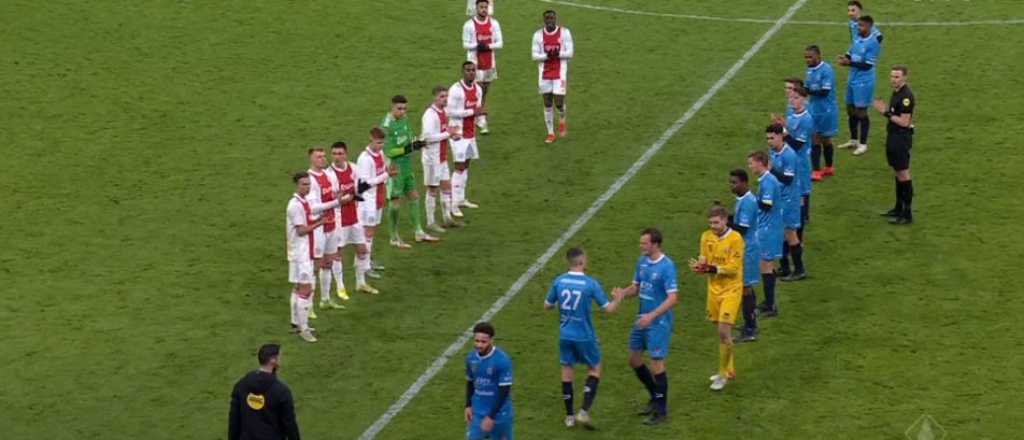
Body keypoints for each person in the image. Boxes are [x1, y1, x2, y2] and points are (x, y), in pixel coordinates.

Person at [543, 247, 622, 429]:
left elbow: (547, 305)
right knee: (595, 368)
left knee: (567, 370)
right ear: (582, 261)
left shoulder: (559, 281)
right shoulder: (590, 284)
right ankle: (583, 412)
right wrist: (618, 298)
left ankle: (569, 417)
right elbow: (608, 309)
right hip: (584, 336)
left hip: (565, 335)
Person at [611, 228, 678, 426]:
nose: (641, 246)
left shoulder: (667, 266)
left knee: (657, 364)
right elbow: (637, 288)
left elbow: (673, 298)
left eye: (644, 243)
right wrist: (622, 293)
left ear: (655, 244)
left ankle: (661, 411)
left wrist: (653, 315)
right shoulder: (642, 262)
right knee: (634, 360)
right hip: (642, 319)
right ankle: (654, 397)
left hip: (658, 321)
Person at [689, 204, 744, 391]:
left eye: (716, 222)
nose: (713, 226)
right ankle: (730, 369)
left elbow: (733, 268)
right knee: (721, 332)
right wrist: (700, 266)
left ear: (725, 220)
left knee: (723, 332)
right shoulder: (706, 236)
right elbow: (704, 259)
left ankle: (722, 375)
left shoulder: (736, 239)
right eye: (711, 223)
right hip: (713, 290)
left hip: (731, 290)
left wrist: (712, 269)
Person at [381, 95, 436, 248]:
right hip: (394, 168)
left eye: (405, 108)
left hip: (407, 166)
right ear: (391, 108)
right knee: (395, 202)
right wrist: (408, 148)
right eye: (399, 108)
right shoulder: (386, 126)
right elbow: (389, 151)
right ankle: (393, 236)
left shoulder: (404, 119)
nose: (403, 111)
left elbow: (409, 137)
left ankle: (418, 231)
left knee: (414, 196)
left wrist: (417, 142)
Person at [328, 142, 377, 297]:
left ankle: (360, 283)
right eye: (334, 153)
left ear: (346, 154)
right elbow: (334, 197)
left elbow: (360, 187)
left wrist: (354, 195)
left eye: (340, 153)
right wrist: (347, 197)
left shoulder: (353, 168)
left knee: (362, 249)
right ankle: (340, 287)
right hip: (339, 219)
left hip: (354, 217)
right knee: (338, 253)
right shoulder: (330, 174)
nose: (337, 157)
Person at [356, 127, 398, 292]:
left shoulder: (379, 154)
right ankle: (365, 267)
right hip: (368, 201)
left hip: (378, 197)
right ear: (371, 139)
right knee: (368, 234)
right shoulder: (365, 159)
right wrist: (387, 175)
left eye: (382, 142)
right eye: (378, 142)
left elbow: (383, 168)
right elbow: (364, 184)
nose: (381, 145)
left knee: (372, 233)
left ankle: (368, 261)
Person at [229, 344, 300, 440]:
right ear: (273, 360)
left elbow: (234, 419)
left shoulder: (240, 385)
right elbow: (289, 424)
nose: (280, 359)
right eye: (279, 356)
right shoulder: (282, 391)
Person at [286, 172, 326, 342]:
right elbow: (302, 230)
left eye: (308, 184)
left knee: (298, 288)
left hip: (302, 252)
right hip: (300, 254)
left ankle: (296, 323)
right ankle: (304, 329)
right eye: (303, 184)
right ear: (296, 185)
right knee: (306, 290)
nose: (307, 187)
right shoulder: (295, 205)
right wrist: (320, 223)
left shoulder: (304, 203)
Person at [873, 65, 916, 225]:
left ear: (904, 78)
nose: (893, 80)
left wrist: (884, 112)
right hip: (893, 136)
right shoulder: (897, 92)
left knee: (904, 174)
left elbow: (905, 122)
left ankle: (907, 213)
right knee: (897, 172)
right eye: (892, 76)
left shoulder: (906, 97)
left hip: (900, 137)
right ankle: (898, 208)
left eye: (897, 77)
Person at [305, 148, 346, 313]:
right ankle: (308, 307)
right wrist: (336, 203)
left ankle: (325, 299)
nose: (322, 159)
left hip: (330, 225)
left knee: (328, 263)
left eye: (323, 156)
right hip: (317, 228)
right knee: (314, 267)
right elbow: (313, 208)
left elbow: (334, 195)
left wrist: (340, 198)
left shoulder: (329, 175)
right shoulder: (310, 180)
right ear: (311, 159)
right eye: (318, 157)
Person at [765, 124, 807, 282]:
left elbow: (788, 179)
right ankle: (785, 268)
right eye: (768, 138)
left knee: (790, 235)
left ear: (781, 136)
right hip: (779, 198)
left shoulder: (789, 155)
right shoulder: (773, 151)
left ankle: (799, 269)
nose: (770, 141)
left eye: (772, 138)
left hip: (789, 200)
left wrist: (770, 170)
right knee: (781, 234)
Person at [837, 15, 882, 156]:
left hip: (864, 81)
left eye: (861, 25)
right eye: (858, 25)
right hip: (852, 78)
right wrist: (845, 58)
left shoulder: (873, 43)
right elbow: (850, 52)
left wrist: (848, 63)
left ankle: (863, 144)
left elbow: (868, 65)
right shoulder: (857, 37)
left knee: (861, 111)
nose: (858, 27)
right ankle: (853, 140)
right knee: (850, 109)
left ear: (869, 27)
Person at [447, 62, 486, 216]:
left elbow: (477, 110)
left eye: (473, 70)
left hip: (470, 133)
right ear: (463, 72)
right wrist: (472, 112)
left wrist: (480, 118)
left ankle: (461, 199)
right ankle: (453, 203)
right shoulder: (456, 90)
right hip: (457, 133)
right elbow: (450, 112)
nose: (471, 73)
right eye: (468, 70)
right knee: (459, 166)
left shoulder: (478, 89)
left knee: (467, 165)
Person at [421, 85, 461, 233]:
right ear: (435, 97)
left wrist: (454, 136)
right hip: (432, 159)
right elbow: (428, 137)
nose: (445, 99)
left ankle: (447, 218)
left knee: (446, 187)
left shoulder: (444, 112)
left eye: (446, 96)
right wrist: (448, 134)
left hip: (442, 157)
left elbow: (444, 132)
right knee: (432, 189)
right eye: (442, 96)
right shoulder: (430, 115)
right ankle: (430, 222)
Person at [747, 151, 783, 318]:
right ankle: (770, 302)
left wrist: (751, 199)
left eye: (751, 163)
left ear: (760, 162)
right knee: (768, 265)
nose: (750, 166)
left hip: (768, 229)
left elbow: (767, 205)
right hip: (769, 227)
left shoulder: (768, 182)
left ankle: (770, 305)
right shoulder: (766, 180)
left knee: (765, 266)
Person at [531, 10, 574, 144]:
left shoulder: (565, 32)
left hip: (559, 72)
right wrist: (547, 56)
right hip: (544, 73)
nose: (550, 20)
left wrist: (558, 54)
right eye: (547, 18)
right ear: (544, 20)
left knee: (559, 103)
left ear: (556, 19)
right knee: (547, 103)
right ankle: (550, 133)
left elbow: (570, 52)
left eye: (552, 18)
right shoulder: (538, 35)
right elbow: (534, 55)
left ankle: (562, 119)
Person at [465, 322, 514, 440]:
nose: (479, 345)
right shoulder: (471, 358)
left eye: (483, 342)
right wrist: (468, 405)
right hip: (478, 413)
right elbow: (470, 382)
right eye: (476, 341)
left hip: (500, 415)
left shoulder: (502, 360)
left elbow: (504, 391)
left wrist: (491, 417)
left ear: (492, 340)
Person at [462, 0, 503, 135]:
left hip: (489, 62)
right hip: (474, 63)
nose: (484, 9)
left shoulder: (494, 23)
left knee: (484, 89)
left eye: (486, 7)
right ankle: (479, 117)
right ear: (476, 8)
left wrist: (487, 46)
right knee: (476, 89)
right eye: (481, 7)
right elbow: (465, 44)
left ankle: (477, 114)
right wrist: (476, 46)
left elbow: (500, 43)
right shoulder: (469, 25)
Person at [729, 169, 760, 342]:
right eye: (731, 182)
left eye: (735, 182)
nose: (732, 186)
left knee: (745, 288)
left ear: (744, 183)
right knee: (745, 288)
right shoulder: (743, 199)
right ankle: (751, 323)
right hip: (745, 248)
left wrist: (725, 223)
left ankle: (750, 329)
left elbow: (742, 228)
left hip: (748, 250)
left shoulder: (747, 202)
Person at [805, 45, 840, 181]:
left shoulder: (827, 70)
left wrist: (806, 91)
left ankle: (820, 170)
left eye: (810, 57)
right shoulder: (810, 70)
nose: (807, 60)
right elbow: (808, 87)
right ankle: (823, 169)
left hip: (826, 110)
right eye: (806, 57)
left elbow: (825, 92)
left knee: (824, 139)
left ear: (818, 56)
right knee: (816, 138)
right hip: (815, 109)